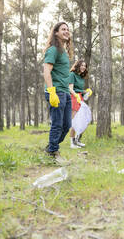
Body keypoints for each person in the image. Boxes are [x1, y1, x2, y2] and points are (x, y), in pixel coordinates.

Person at [43, 22, 73, 162]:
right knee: (57, 124)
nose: (66, 31)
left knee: (67, 125)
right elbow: (46, 72)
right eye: (63, 29)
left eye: (67, 29)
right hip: (56, 92)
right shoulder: (53, 50)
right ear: (56, 33)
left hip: (65, 91)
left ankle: (51, 147)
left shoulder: (63, 51)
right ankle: (53, 152)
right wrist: (51, 92)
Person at [68, 59, 93, 149]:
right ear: (78, 65)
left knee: (85, 118)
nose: (83, 67)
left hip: (80, 97)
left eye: (85, 66)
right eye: (82, 65)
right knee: (75, 120)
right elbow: (70, 88)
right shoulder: (72, 75)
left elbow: (79, 89)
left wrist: (86, 91)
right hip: (74, 97)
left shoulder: (81, 77)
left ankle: (77, 140)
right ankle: (72, 143)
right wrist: (76, 95)